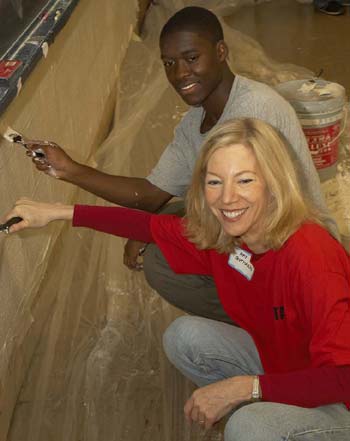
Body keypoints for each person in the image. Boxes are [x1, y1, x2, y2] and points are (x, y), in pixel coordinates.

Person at [5, 118, 350, 441]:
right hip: (292, 369)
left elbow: (343, 377)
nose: (227, 198)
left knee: (251, 424)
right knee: (185, 337)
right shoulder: (230, 239)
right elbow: (146, 227)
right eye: (215, 181)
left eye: (245, 180)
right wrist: (55, 213)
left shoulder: (311, 257)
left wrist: (245, 388)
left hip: (341, 400)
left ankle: (265, 426)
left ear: (275, 184)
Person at [24, 6, 338, 324]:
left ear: (220, 52)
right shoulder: (193, 126)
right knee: (165, 239)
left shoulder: (255, 112)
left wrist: (158, 231)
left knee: (163, 261)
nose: (180, 74)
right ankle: (256, 316)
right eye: (169, 63)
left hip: (291, 252)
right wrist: (69, 169)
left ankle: (270, 323)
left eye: (191, 58)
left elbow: (252, 211)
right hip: (253, 236)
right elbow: (149, 195)